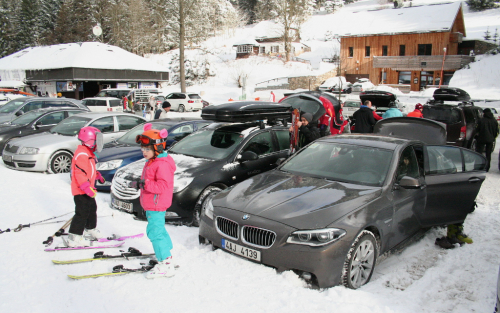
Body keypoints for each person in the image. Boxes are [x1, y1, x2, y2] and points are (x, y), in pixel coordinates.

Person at [129, 123, 177, 278]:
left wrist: (145, 184)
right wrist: (140, 183)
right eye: (142, 148)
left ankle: (166, 263)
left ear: (158, 148)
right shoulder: (153, 161)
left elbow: (162, 186)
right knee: (159, 229)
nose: (144, 151)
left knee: (154, 232)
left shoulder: (161, 164)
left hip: (156, 203)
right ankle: (167, 255)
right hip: (153, 202)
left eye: (147, 149)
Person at [67, 126, 105, 247]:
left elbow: (89, 169)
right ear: (89, 140)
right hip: (81, 190)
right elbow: (79, 173)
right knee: (81, 212)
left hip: (88, 190)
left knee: (92, 209)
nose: (98, 143)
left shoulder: (88, 153)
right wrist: (86, 188)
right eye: (96, 140)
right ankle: (74, 236)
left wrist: (97, 175)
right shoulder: (82, 154)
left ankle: (90, 229)